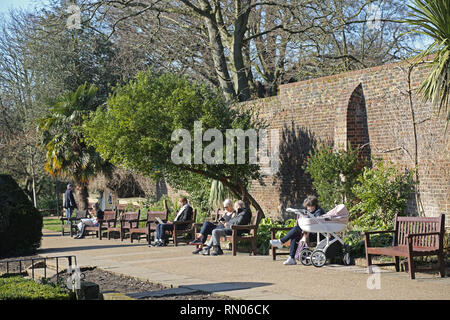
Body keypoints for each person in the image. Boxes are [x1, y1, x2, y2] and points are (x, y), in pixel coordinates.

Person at [270, 195, 326, 265]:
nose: (308, 208)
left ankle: (281, 242)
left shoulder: (319, 211)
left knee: (297, 229)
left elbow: (316, 222)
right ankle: (291, 258)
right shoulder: (310, 211)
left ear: (314, 205)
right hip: (310, 232)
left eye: (310, 206)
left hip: (317, 235)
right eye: (307, 207)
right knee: (295, 235)